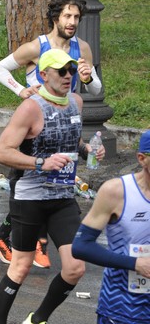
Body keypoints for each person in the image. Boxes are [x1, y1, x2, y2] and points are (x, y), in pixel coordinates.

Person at [0, 0, 103, 269]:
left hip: (65, 124)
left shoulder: (83, 48)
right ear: (56, 17)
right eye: (67, 15)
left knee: (55, 185)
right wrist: (21, 90)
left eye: (76, 16)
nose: (72, 21)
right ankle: (33, 243)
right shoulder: (36, 47)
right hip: (36, 124)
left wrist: (88, 79)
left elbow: (97, 88)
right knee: (31, 185)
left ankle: (7, 236)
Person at [0, 48, 105, 324]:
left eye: (72, 70)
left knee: (75, 268)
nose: (68, 76)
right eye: (61, 71)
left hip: (62, 198)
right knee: (22, 266)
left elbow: (68, 141)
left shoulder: (76, 102)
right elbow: (2, 152)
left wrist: (89, 150)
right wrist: (41, 163)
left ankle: (37, 319)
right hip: (29, 198)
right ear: (43, 74)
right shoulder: (30, 108)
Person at [72, 130, 150, 324]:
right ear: (142, 159)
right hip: (123, 309)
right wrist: (135, 264)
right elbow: (81, 246)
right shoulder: (117, 191)